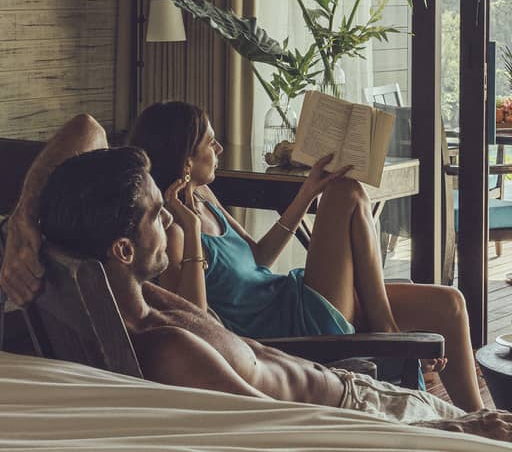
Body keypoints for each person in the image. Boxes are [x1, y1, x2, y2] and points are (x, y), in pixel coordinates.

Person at [25, 119, 512, 452]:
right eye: (157, 217)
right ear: (123, 247)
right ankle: (413, 356)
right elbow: (294, 427)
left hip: (352, 389)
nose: (168, 225)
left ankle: (449, 385)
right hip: (362, 414)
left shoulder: (139, 298)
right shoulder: (167, 348)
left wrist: (26, 223)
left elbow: (86, 131)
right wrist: (457, 425)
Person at [126, 100, 483, 410]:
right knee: (346, 191)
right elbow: (197, 323)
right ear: (186, 159)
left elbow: (259, 256)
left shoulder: (206, 197)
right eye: (210, 142)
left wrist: (307, 192)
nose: (219, 148)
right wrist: (190, 233)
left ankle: (480, 417)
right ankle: (388, 333)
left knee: (449, 304)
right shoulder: (173, 230)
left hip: (292, 295)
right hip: (293, 328)